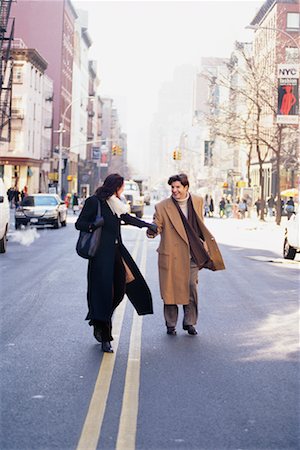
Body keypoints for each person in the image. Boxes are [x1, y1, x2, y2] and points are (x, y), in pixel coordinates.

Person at [75, 173, 157, 353]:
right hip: (100, 258)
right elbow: (79, 224)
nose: (123, 190)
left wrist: (147, 225)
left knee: (119, 291)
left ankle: (99, 318)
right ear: (115, 187)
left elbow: (128, 218)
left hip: (116, 254)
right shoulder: (94, 202)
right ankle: (105, 336)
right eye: (121, 187)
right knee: (103, 295)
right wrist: (94, 224)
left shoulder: (116, 204)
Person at [147, 173, 225, 336]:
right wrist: (152, 230)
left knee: (191, 287)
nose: (175, 191)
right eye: (172, 187)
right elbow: (157, 223)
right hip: (171, 254)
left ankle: (190, 322)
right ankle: (171, 323)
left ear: (186, 188)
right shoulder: (162, 206)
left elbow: (199, 223)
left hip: (192, 254)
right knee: (171, 290)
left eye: (178, 187)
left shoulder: (197, 201)